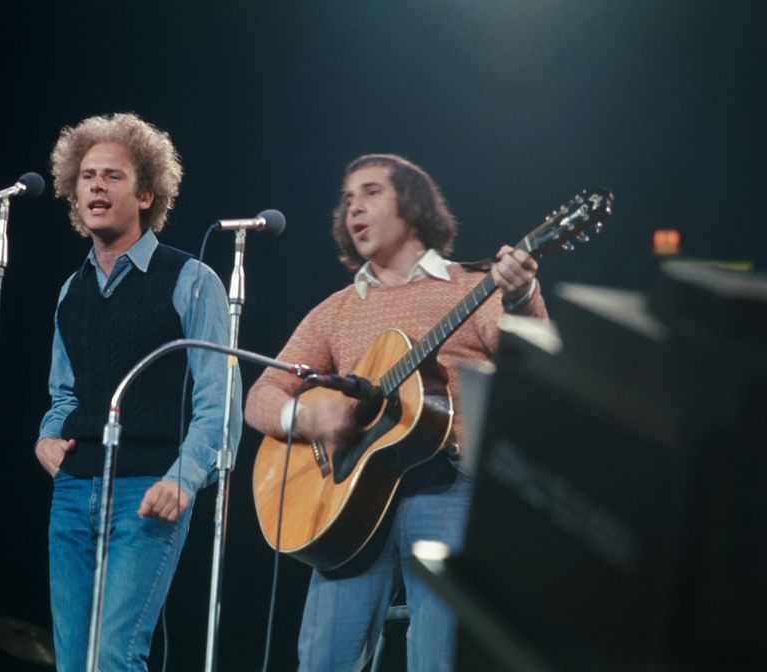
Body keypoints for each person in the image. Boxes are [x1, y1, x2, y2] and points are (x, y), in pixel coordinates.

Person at [244, 153, 547, 671]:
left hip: (449, 483)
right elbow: (262, 395)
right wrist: (310, 418)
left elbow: (536, 365)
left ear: (412, 205)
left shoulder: (473, 286)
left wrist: (523, 296)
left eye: (370, 192)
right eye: (346, 199)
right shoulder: (337, 309)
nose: (352, 208)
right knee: (322, 661)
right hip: (349, 501)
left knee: (440, 659)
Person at [35, 112, 240, 672]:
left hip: (147, 493)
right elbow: (63, 394)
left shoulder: (192, 279)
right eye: (87, 176)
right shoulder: (69, 292)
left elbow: (218, 404)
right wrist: (47, 438)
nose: (96, 186)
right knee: (74, 664)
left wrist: (184, 478)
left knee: (114, 658)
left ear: (147, 193)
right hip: (74, 495)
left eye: (113, 176)